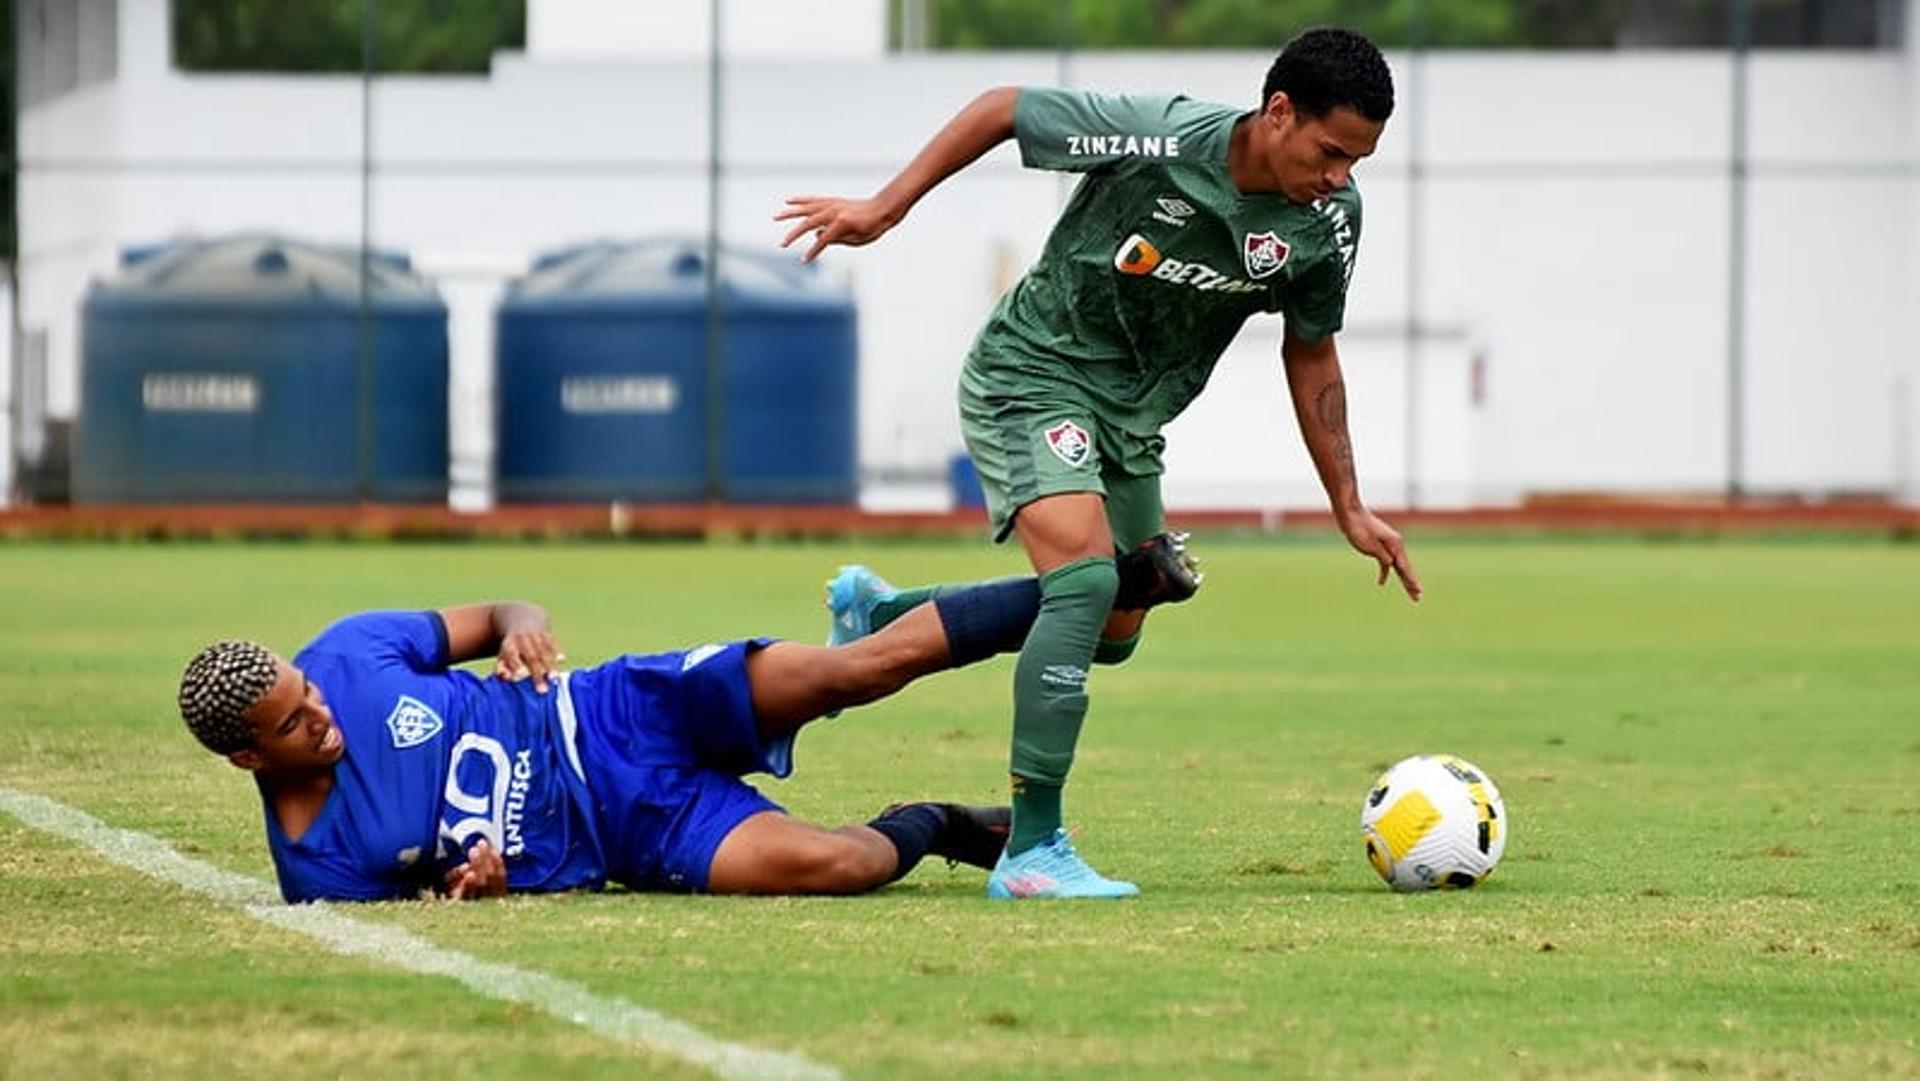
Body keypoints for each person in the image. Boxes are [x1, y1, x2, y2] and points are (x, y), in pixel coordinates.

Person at [777, 28, 1422, 899]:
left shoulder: (1329, 219)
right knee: (1082, 585)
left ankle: (883, 611)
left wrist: (1350, 503)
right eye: (1332, 150)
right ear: (1278, 113)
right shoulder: (1158, 136)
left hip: (1130, 420)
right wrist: (885, 209)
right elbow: (1004, 109)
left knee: (1116, 626)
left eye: (1359, 159)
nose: (1341, 175)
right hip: (1032, 371)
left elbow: (1311, 352)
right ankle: (1033, 850)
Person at [175, 547, 1194, 904]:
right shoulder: (316, 868)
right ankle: (934, 822)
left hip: (616, 704)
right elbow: (429, 904)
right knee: (842, 869)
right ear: (246, 756)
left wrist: (525, 632)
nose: (322, 712)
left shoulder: (347, 653)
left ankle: (1107, 582)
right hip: (630, 830)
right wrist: (470, 886)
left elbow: (497, 615)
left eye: (308, 693)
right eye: (296, 724)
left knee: (858, 670)